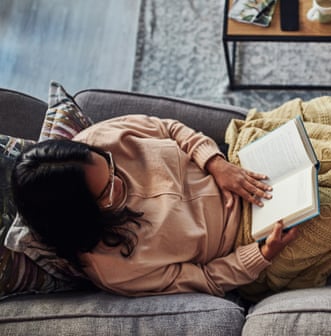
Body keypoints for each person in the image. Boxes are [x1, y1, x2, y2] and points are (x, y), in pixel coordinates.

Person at [11, 114, 299, 297]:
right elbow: (205, 279)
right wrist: (261, 254)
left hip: (238, 160)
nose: (119, 182)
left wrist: (216, 163)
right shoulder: (113, 269)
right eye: (108, 191)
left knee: (321, 122)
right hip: (248, 236)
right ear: (80, 217)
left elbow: (169, 128)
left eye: (111, 167)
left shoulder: (97, 139)